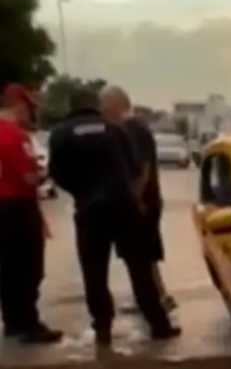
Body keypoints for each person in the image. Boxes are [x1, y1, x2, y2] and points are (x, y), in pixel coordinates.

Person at [48, 88, 180, 345]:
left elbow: (56, 172)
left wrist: (80, 191)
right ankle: (159, 324)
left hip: (89, 211)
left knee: (94, 271)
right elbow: (133, 167)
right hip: (124, 207)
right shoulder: (115, 130)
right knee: (140, 268)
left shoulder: (61, 133)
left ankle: (103, 328)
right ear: (94, 105)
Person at [99, 86, 176, 311]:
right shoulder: (132, 128)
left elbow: (143, 168)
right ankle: (155, 297)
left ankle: (154, 299)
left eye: (104, 106)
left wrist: (133, 199)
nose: (102, 112)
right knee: (145, 256)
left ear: (116, 104)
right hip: (143, 201)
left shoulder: (133, 128)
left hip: (142, 203)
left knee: (141, 255)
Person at [0, 83, 63, 344]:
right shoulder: (15, 136)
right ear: (19, 105)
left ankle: (13, 320)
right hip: (17, 206)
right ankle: (28, 323)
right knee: (28, 268)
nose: (33, 116)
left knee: (7, 267)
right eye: (31, 108)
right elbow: (29, 178)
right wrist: (46, 174)